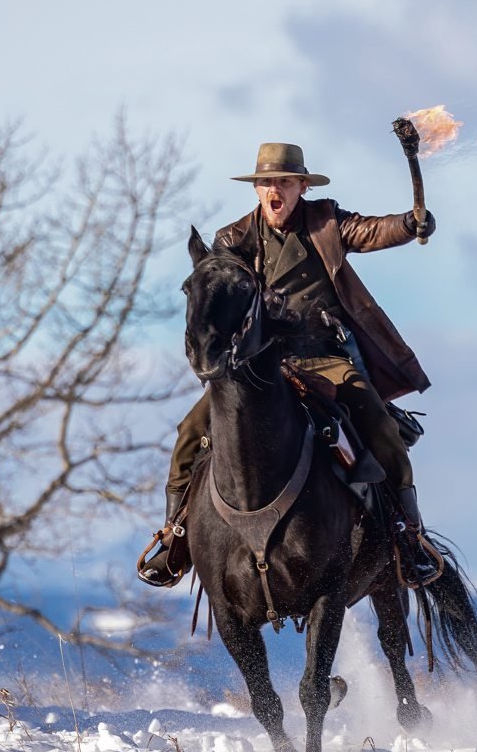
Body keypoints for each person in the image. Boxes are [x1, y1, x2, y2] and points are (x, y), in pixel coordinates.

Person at [138, 142, 441, 588]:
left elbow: (374, 231)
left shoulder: (327, 222)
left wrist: (408, 224)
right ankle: (174, 535)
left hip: (325, 356)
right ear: (257, 189)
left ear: (301, 186)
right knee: (190, 431)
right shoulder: (232, 239)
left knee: (379, 426)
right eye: (266, 183)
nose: (273, 190)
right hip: (261, 365)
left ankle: (407, 534)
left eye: (283, 181)